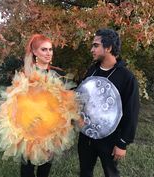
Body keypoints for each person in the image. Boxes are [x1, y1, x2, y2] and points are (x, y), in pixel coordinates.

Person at [77, 28, 140, 177]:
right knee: (85, 172)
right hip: (87, 136)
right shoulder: (92, 71)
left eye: (96, 45)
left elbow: (132, 113)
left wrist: (122, 143)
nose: (92, 49)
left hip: (111, 139)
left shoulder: (126, 77)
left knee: (111, 174)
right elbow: (81, 99)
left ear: (109, 47)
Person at [21, 34, 64, 177]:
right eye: (44, 49)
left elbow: (64, 102)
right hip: (30, 127)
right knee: (27, 167)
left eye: (50, 49)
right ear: (34, 52)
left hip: (51, 128)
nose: (48, 53)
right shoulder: (26, 73)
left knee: (45, 167)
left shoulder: (58, 74)